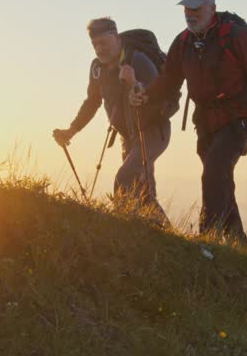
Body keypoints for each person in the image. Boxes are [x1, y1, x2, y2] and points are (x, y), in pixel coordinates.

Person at [130, 0, 247, 244]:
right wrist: (147, 94)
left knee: (214, 171)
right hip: (205, 120)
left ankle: (206, 238)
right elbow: (170, 79)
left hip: (239, 116)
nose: (190, 14)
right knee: (219, 177)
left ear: (211, 8)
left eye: (196, 9)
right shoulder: (184, 42)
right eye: (187, 9)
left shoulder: (236, 36)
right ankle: (237, 243)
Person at [53, 17, 171, 223]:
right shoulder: (97, 69)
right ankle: (168, 238)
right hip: (129, 137)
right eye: (95, 44)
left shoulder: (138, 60)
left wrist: (134, 82)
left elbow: (158, 96)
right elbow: (92, 102)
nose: (99, 49)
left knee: (124, 179)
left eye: (104, 43)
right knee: (144, 195)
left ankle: (121, 229)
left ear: (116, 38)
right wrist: (71, 131)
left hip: (153, 132)